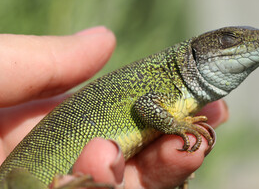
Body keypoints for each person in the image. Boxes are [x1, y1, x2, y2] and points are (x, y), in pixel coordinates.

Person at [0, 26, 229, 188]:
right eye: (227, 40)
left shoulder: (172, 88)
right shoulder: (167, 80)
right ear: (196, 52)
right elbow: (147, 106)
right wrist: (176, 124)